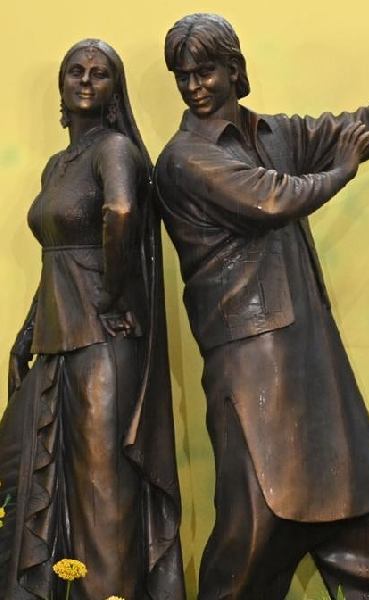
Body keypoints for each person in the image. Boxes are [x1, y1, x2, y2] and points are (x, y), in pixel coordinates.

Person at [153, 8, 369, 599]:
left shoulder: (276, 135)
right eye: (182, 76)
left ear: (234, 69)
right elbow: (273, 199)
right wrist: (342, 171)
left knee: (363, 512)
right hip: (250, 368)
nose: (195, 86)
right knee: (255, 525)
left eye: (206, 72)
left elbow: (368, 124)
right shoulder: (183, 160)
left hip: (310, 359)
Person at [0, 39, 184, 600]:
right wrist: (29, 331)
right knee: (21, 476)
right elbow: (58, 256)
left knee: (103, 502)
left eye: (99, 73)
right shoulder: (58, 165)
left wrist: (112, 297)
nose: (85, 80)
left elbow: (123, 212)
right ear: (60, 85)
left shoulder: (116, 150)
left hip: (103, 345)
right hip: (57, 343)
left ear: (113, 90)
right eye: (75, 71)